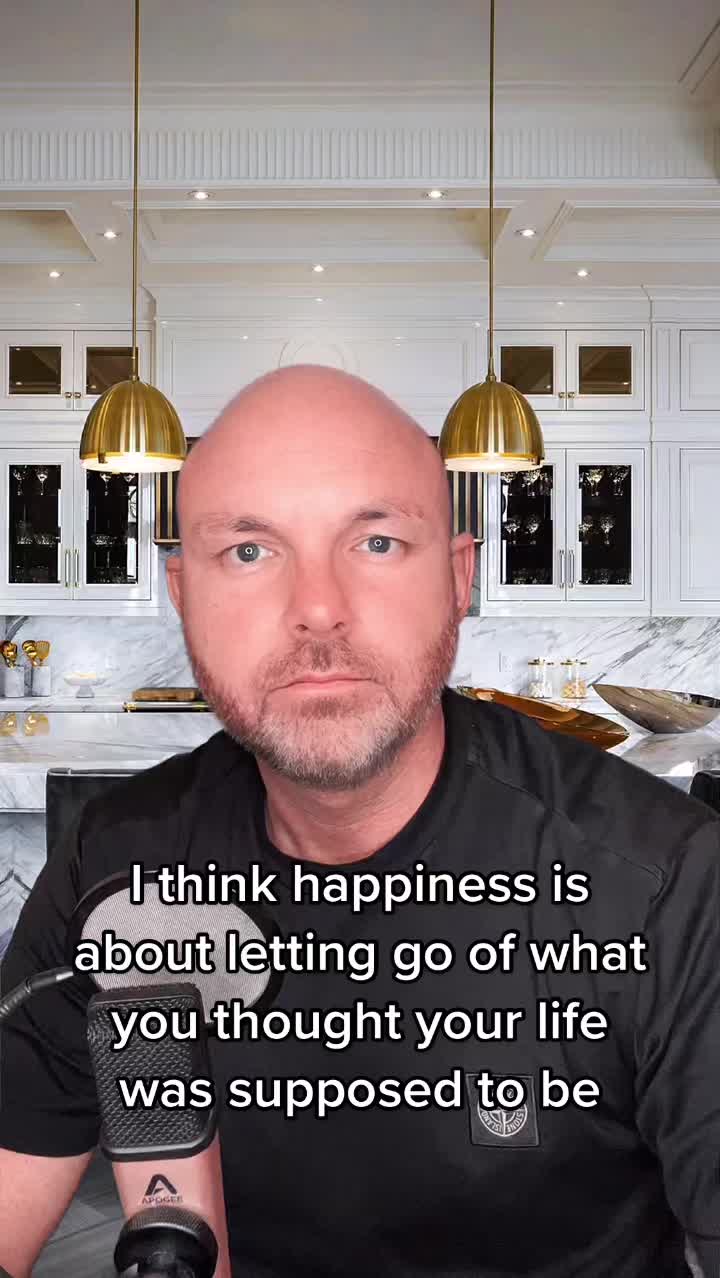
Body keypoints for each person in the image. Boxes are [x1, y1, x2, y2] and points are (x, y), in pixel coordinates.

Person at [1, 364, 719, 1278]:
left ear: (457, 577)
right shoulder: (118, 859)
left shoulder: (664, 884)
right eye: (249, 551)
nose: (317, 611)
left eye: (377, 542)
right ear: (183, 595)